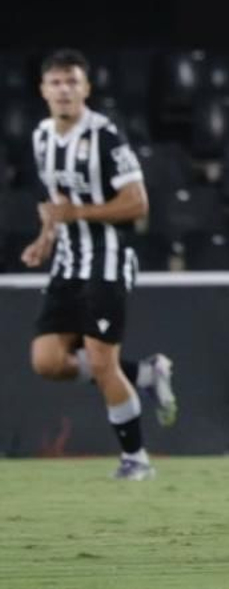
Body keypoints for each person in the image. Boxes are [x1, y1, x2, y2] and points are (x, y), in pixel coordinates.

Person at [22, 50, 177, 481]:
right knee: (47, 361)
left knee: (101, 360)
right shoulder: (41, 137)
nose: (64, 90)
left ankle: (136, 460)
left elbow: (138, 203)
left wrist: (79, 215)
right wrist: (44, 240)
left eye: (73, 82)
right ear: (43, 90)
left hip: (106, 261)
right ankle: (146, 373)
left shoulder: (106, 136)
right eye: (56, 82)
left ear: (86, 88)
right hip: (67, 262)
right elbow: (54, 204)